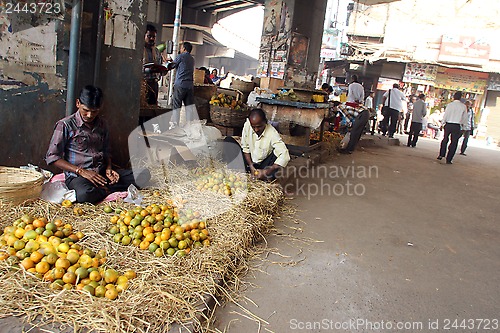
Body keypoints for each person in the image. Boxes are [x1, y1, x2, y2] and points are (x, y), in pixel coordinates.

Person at [45, 86, 150, 204]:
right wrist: (81, 171)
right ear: (78, 103)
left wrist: (109, 169)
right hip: (78, 177)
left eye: (94, 111)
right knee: (84, 195)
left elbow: (106, 151)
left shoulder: (102, 124)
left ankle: (102, 189)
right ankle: (106, 190)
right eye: (86, 110)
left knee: (144, 175)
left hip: (101, 174)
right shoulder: (65, 125)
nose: (89, 115)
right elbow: (52, 157)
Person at [223, 109, 290, 180]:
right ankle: (244, 172)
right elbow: (246, 148)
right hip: (248, 163)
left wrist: (266, 172)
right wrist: (251, 166)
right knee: (228, 141)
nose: (256, 130)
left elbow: (285, 155)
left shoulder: (272, 133)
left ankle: (263, 175)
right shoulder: (247, 125)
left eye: (259, 126)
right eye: (253, 127)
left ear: (265, 122)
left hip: (263, 166)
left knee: (278, 155)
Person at [167, 41, 195, 128]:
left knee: (176, 106)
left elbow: (172, 66)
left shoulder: (181, 56)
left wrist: (168, 63)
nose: (180, 49)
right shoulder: (192, 59)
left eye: (181, 47)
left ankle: (175, 125)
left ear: (184, 48)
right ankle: (189, 126)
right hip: (189, 86)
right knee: (189, 108)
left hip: (180, 85)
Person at [437, 91, 468, 164]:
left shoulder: (450, 105)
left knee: (445, 139)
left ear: (454, 97)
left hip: (448, 124)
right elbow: (464, 118)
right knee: (454, 142)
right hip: (456, 126)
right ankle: (449, 159)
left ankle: (441, 154)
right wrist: (464, 127)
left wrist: (442, 123)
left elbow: (446, 114)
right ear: (460, 98)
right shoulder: (463, 106)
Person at [142, 24, 167, 105]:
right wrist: (147, 70)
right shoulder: (139, 50)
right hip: (142, 85)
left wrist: (165, 69)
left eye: (154, 37)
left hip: (154, 84)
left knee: (152, 109)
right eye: (149, 36)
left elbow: (159, 66)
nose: (152, 39)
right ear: (144, 36)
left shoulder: (156, 51)